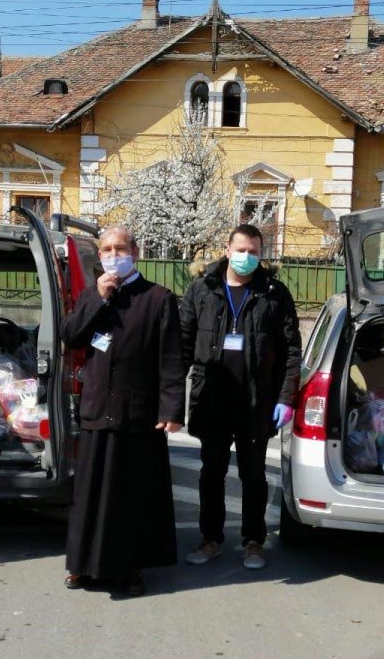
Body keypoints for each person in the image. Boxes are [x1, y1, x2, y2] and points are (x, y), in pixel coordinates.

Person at [60, 225, 184, 596]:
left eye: (121, 248)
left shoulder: (159, 298)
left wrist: (172, 408)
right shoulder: (91, 294)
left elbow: (171, 359)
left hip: (138, 413)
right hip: (98, 407)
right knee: (90, 496)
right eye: (107, 249)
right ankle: (82, 566)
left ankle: (129, 568)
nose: (114, 254)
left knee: (131, 496)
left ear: (136, 252)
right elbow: (70, 336)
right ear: (100, 256)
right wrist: (98, 299)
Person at [180, 224, 302, 570]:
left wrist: (285, 398)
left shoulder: (274, 294)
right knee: (211, 472)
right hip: (212, 397)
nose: (248, 257)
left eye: (254, 252)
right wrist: (171, 398)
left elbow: (292, 350)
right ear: (227, 248)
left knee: (253, 475)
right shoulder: (202, 290)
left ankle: (252, 541)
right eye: (242, 250)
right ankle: (211, 539)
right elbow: (183, 345)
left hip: (256, 400)